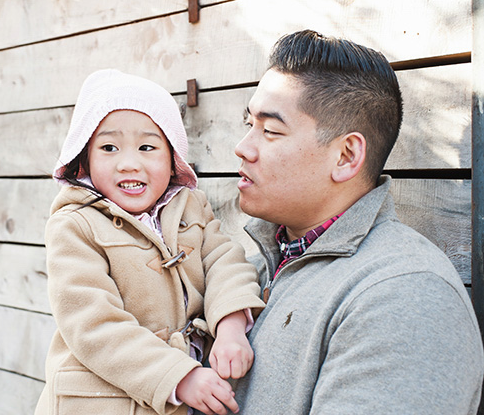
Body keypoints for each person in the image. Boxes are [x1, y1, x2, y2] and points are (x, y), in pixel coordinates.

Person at [231, 30, 484, 414]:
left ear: (347, 156)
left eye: (270, 130)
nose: (243, 146)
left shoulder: (405, 298)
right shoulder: (250, 269)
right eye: (247, 124)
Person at [34, 69, 265, 415]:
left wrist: (230, 326)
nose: (129, 163)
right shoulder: (74, 226)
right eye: (109, 147)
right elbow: (93, 324)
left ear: (172, 159)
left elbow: (223, 261)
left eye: (147, 147)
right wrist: (179, 376)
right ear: (84, 159)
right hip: (101, 403)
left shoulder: (190, 207)